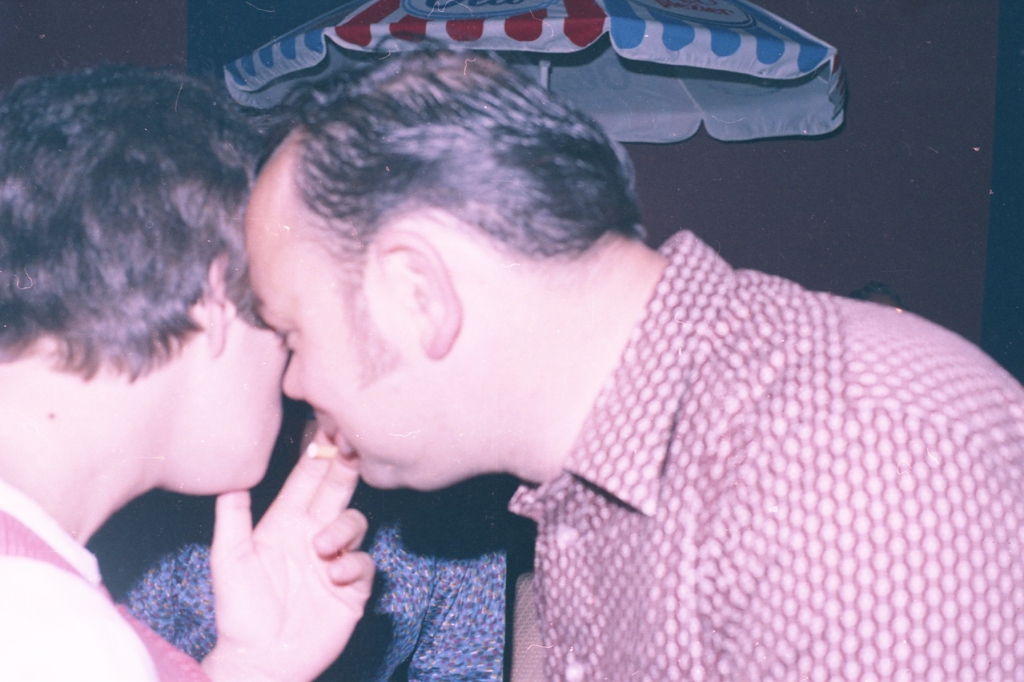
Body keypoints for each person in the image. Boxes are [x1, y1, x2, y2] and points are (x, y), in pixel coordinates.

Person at [243, 49, 1024, 680]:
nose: (292, 382)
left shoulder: (849, 472)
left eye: (292, 333)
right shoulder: (596, 483)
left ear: (418, 292)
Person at [0, 66, 374, 682]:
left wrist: (254, 668)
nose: (292, 383)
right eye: (282, 326)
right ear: (216, 297)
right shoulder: (50, 630)